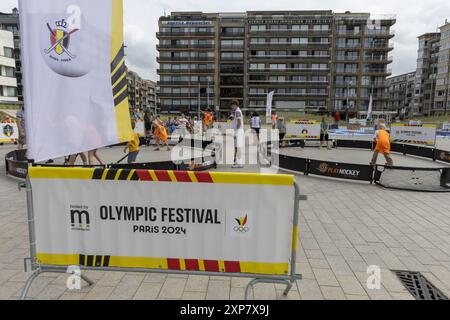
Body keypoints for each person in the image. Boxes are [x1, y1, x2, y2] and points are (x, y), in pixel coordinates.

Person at [231, 99, 244, 169]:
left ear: (235, 105)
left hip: (238, 131)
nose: (232, 107)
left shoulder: (237, 111)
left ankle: (239, 163)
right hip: (238, 131)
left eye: (232, 105)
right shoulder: (237, 111)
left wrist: (236, 132)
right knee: (237, 147)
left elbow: (239, 123)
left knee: (238, 147)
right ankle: (236, 161)